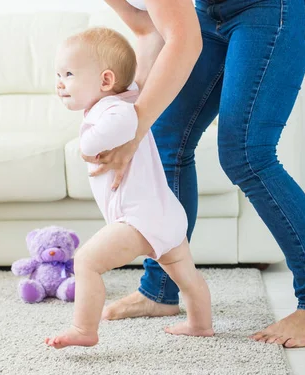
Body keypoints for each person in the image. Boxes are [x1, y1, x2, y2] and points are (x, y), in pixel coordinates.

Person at [96, 0, 305, 348]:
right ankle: (161, 290)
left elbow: (183, 43)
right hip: (210, 11)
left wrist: (136, 126)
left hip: (273, 9)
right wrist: (127, 120)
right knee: (166, 140)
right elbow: (147, 28)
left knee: (246, 153)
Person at [45, 27, 213, 349]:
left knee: (86, 262)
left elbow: (124, 123)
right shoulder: (126, 98)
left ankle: (84, 329)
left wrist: (87, 143)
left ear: (105, 81)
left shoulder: (114, 109)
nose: (60, 82)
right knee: (186, 276)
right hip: (163, 213)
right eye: (58, 74)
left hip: (138, 219)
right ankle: (199, 323)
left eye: (68, 74)